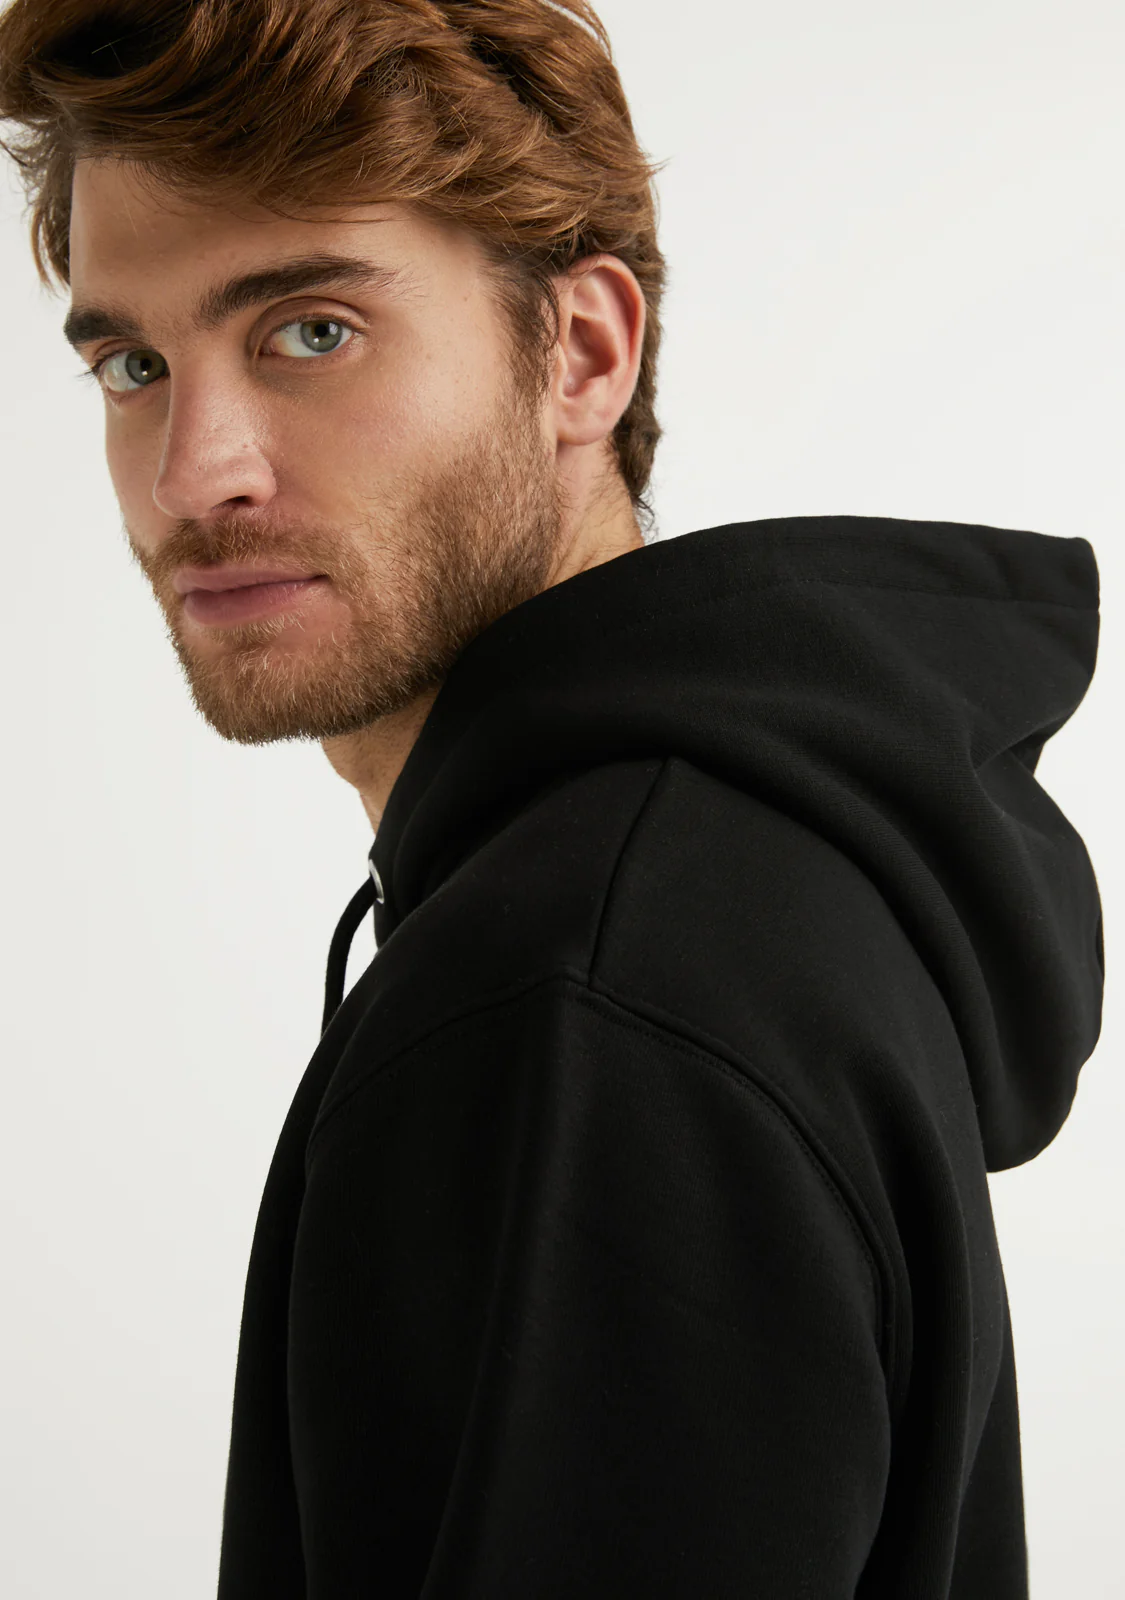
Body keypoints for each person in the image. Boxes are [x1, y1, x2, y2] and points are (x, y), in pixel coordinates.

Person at [0, 2, 1104, 1596]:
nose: (194, 472)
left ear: (582, 351)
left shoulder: (585, 991)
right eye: (132, 364)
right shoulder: (715, 888)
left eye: (312, 331)